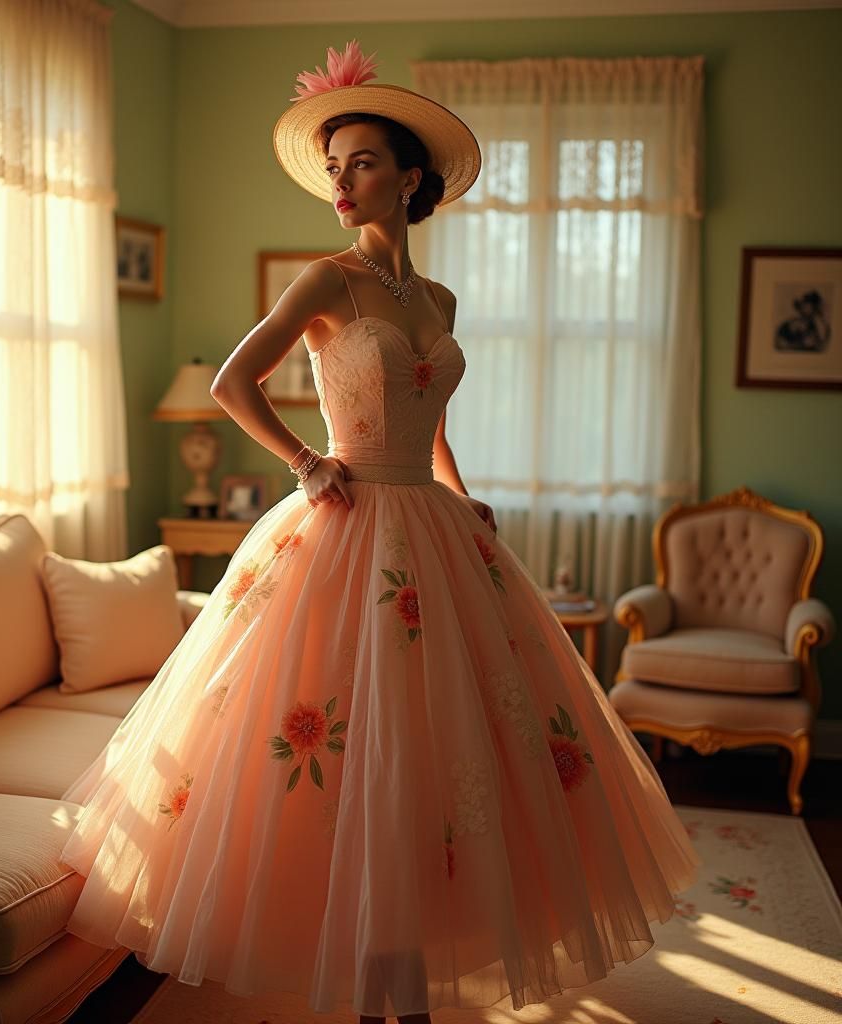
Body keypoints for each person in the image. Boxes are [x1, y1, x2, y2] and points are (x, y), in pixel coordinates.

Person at [59, 40, 702, 1024]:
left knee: (447, 756)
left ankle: (408, 975)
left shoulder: (437, 301)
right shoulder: (325, 282)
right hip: (345, 524)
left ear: (410, 178)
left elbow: (431, 425)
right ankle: (369, 985)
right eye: (333, 166)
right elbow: (234, 384)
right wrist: (306, 463)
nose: (342, 183)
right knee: (344, 750)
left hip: (433, 526)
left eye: (361, 163)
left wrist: (463, 492)